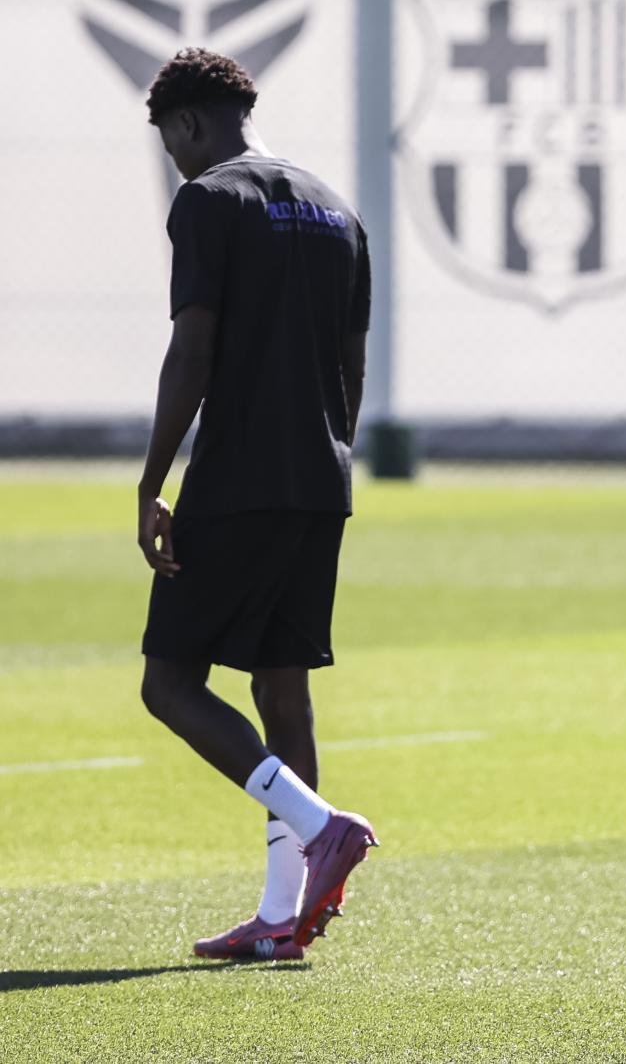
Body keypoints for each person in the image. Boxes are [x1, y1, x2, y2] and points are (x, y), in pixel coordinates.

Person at [136, 48, 377, 962]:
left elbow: (190, 355)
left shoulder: (208, 199)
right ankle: (285, 918)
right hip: (323, 477)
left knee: (169, 682)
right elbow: (352, 369)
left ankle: (321, 828)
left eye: (170, 145)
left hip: (238, 477)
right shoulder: (337, 210)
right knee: (281, 687)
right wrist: (327, 458)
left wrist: (154, 482)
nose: (175, 161)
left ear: (188, 124)